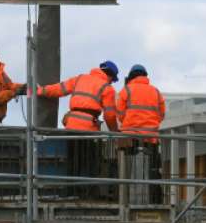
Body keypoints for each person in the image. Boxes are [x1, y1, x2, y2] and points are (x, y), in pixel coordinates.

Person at [117, 64, 165, 203]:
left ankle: (123, 200)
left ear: (131, 76)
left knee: (125, 170)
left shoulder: (126, 90)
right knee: (153, 169)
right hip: (150, 138)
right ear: (145, 75)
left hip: (129, 136)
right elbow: (161, 114)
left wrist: (128, 122)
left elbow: (119, 113)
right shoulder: (155, 91)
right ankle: (155, 200)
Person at [37, 61, 119, 132]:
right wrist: (115, 132)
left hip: (71, 125)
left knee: (70, 150)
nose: (112, 82)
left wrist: (39, 90)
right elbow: (110, 116)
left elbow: (57, 89)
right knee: (86, 150)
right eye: (113, 80)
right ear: (110, 76)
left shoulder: (80, 78)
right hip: (88, 130)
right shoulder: (108, 88)